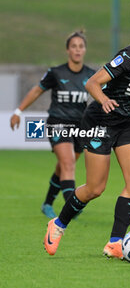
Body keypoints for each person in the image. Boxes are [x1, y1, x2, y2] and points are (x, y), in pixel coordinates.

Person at [43, 0, 130, 258]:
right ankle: (58, 224)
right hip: (100, 120)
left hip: (129, 123)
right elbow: (92, 83)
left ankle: (115, 243)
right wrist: (104, 99)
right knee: (95, 188)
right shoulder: (128, 56)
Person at [10, 31, 95, 219]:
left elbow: (103, 96)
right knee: (68, 162)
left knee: (63, 166)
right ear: (67, 50)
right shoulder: (56, 73)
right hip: (58, 123)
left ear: (85, 50)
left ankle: (47, 203)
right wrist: (18, 111)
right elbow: (36, 91)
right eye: (74, 46)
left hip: (80, 127)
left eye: (81, 46)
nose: (77, 50)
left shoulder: (91, 75)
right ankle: (70, 206)